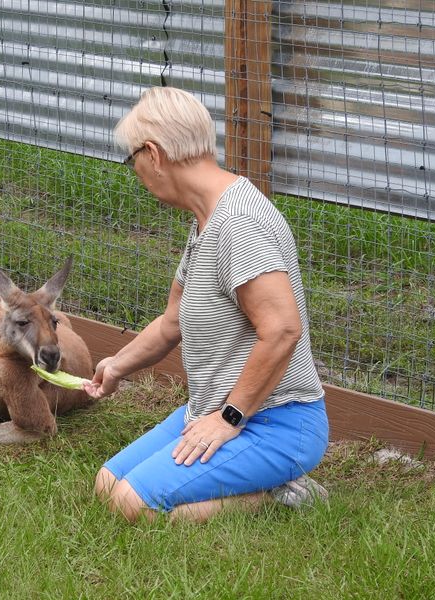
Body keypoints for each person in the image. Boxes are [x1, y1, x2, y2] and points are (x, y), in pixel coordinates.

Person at [83, 86, 329, 523]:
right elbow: (171, 322)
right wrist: (117, 365)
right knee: (107, 483)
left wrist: (229, 418)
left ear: (153, 155)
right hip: (213, 410)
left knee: (132, 505)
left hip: (277, 422)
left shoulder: (239, 223)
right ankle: (256, 476)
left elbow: (283, 329)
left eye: (132, 159)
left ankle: (284, 495)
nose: (135, 170)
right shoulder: (207, 218)